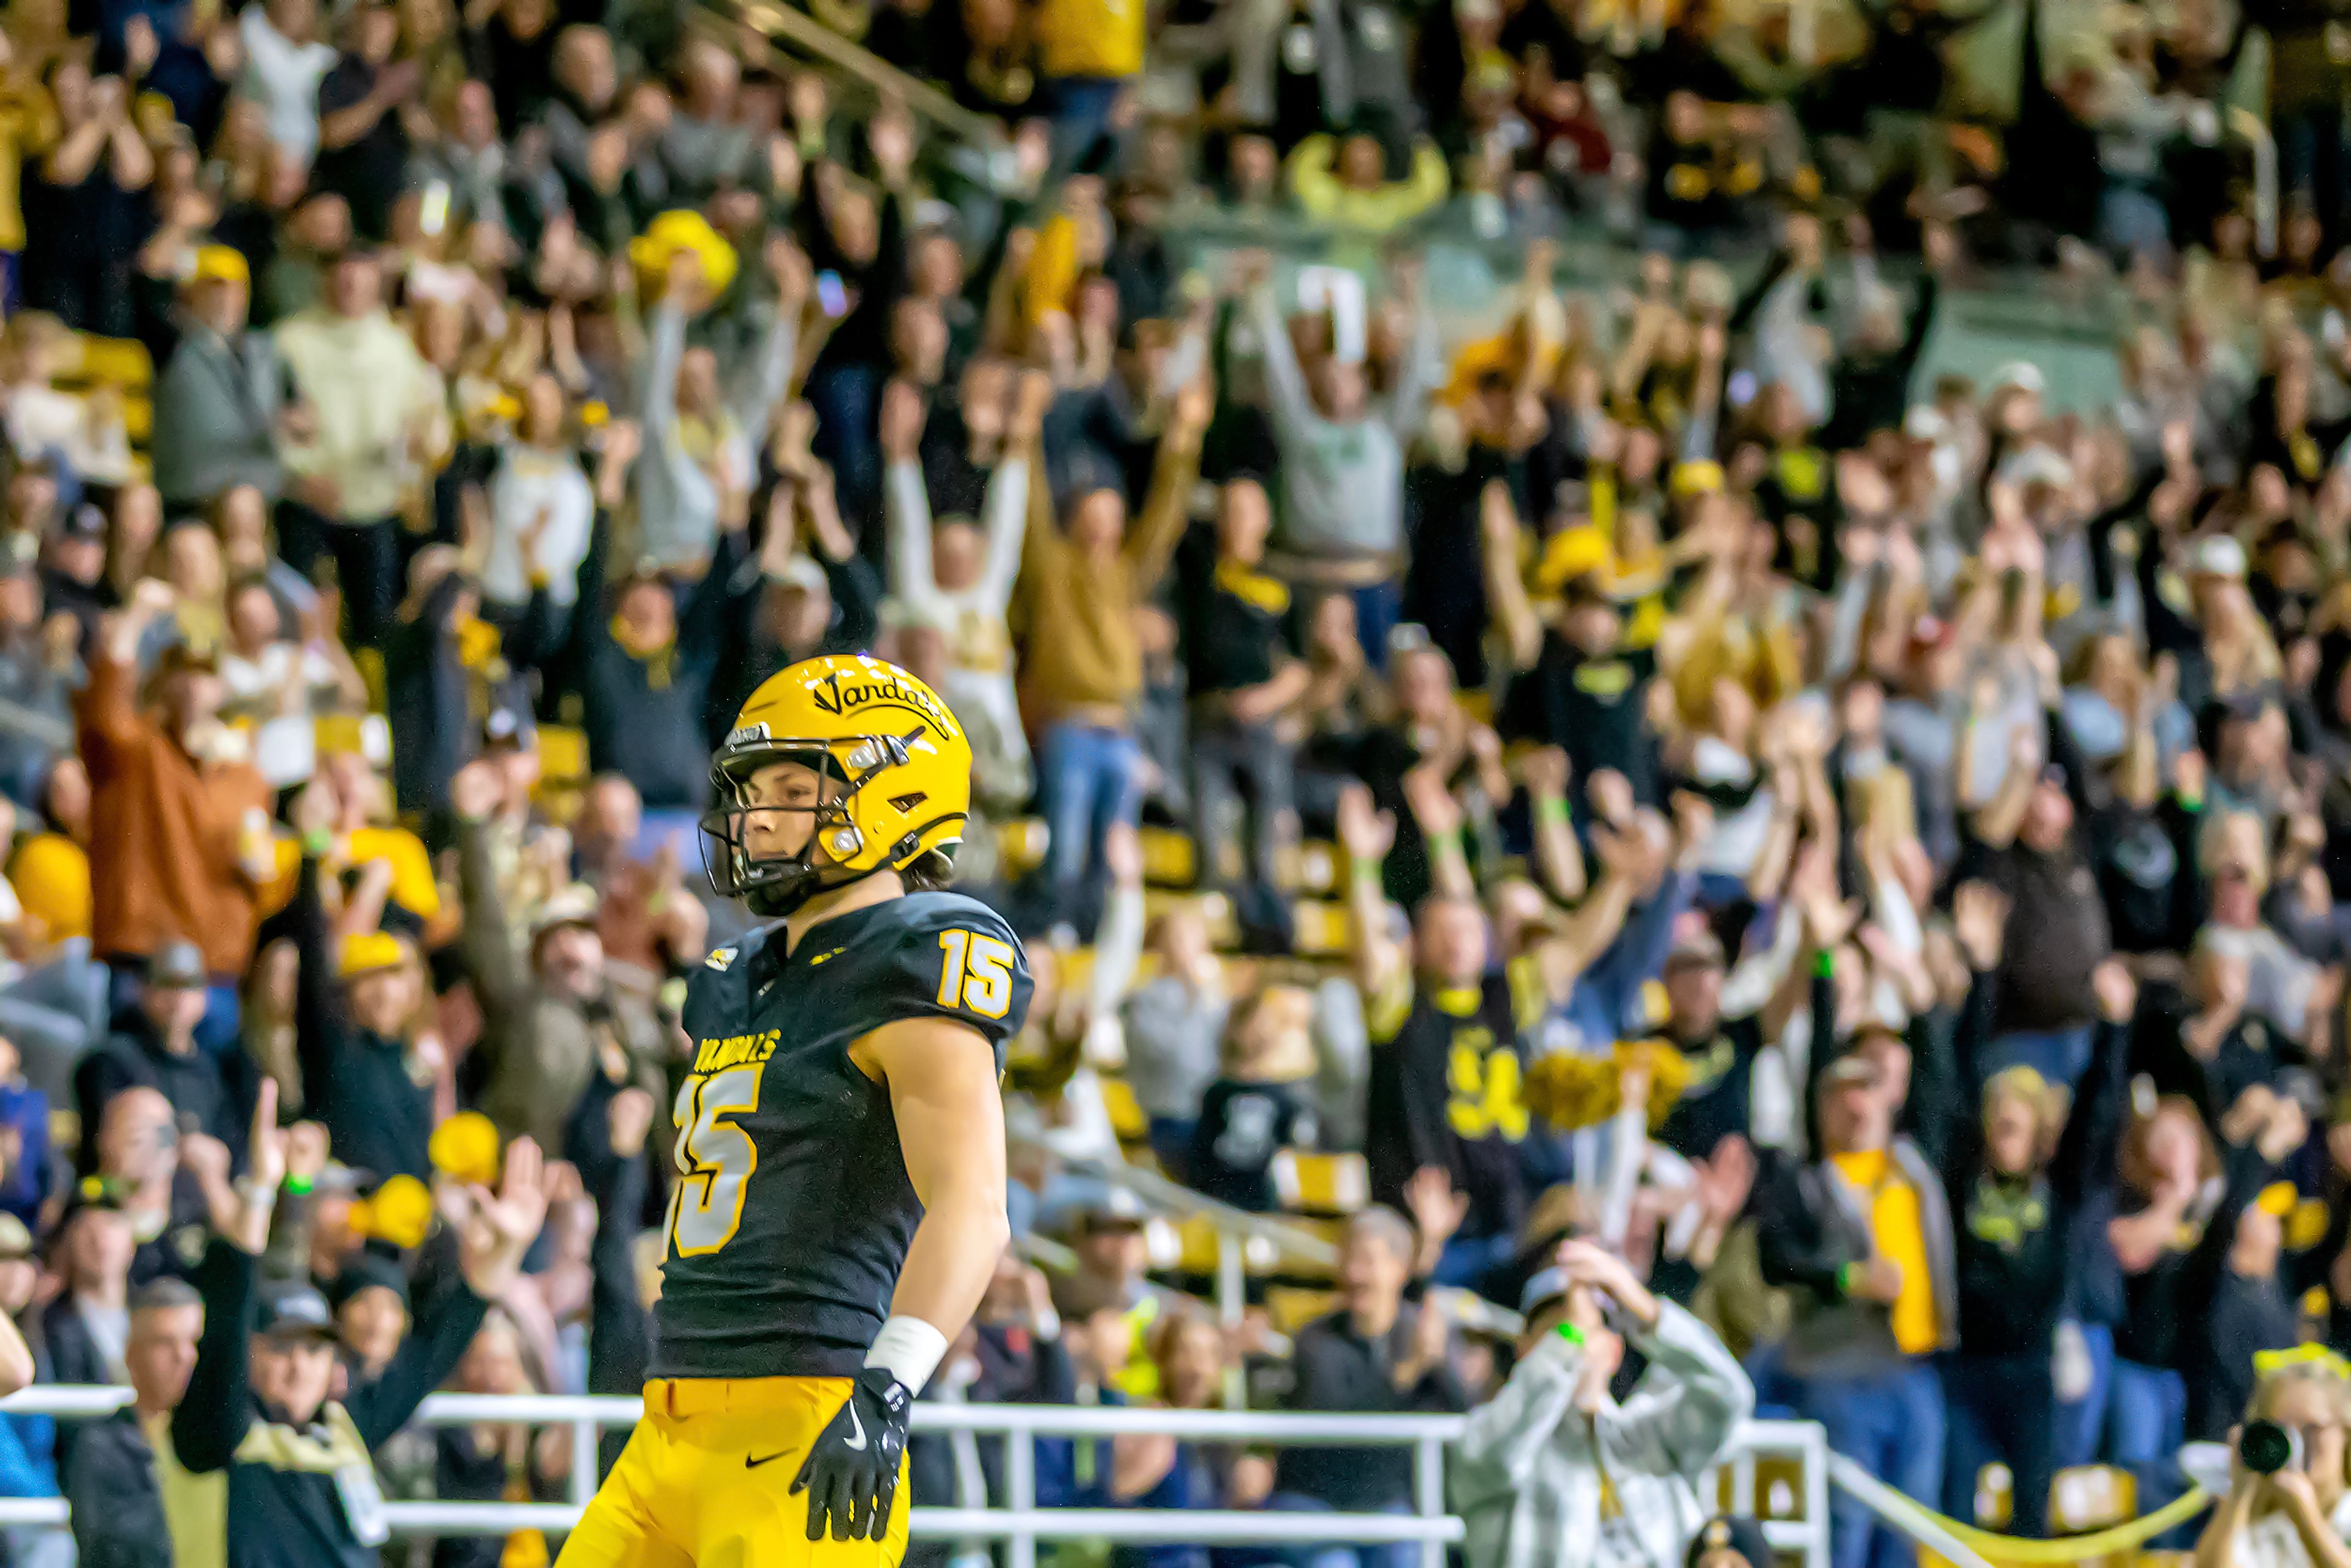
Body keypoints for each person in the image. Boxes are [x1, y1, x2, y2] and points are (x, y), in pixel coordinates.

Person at [559, 655, 1033, 1563]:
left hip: (804, 1418)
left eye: (791, 787)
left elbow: (973, 1207)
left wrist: (887, 1392)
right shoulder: (738, 978)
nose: (758, 815)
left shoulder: (918, 955)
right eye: (751, 790)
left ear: (892, 795)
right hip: (668, 1419)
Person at [171, 1084, 552, 1568]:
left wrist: (507, 1252)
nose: (299, 1367)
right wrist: (262, 1190)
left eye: (314, 1351)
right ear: (251, 1355)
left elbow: (437, 1346)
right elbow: (227, 1324)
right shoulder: (218, 1430)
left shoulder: (345, 1423)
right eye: (282, 1348)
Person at [1452, 1240, 1755, 1568]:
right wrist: (1569, 1342)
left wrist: (1647, 1311)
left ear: (1614, 1350)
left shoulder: (1647, 1434)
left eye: (1588, 1328)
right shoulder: (1495, 1443)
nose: (1575, 1343)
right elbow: (1491, 1451)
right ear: (1524, 1351)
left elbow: (1728, 1394)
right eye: (1556, 1331)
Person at [66, 1276, 203, 1568]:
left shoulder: (229, 1441)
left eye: (195, 1341)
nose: (184, 1356)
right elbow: (110, 1549)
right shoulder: (99, 1446)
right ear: (130, 1356)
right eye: (164, 1342)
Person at [2192, 1348, 2351, 1568]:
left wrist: (2307, 1519)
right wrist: (2239, 1494)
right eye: (2283, 1430)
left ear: (2345, 1431)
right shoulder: (2262, 1524)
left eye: (2312, 1429)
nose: (2296, 1443)